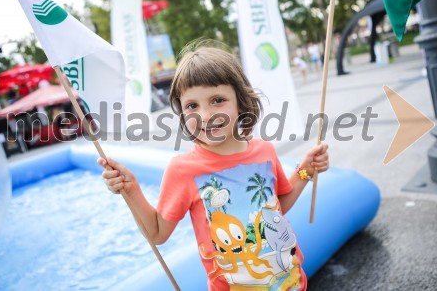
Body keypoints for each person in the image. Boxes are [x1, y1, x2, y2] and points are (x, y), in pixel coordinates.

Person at [98, 44, 329, 290]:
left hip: (291, 282)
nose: (206, 115)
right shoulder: (182, 170)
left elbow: (277, 206)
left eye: (217, 100)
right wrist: (132, 190)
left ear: (240, 102)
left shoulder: (264, 151)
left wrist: (305, 171)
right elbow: (157, 233)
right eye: (192, 106)